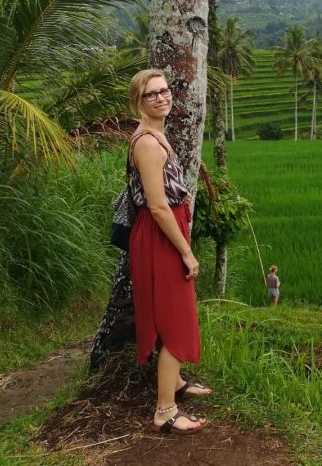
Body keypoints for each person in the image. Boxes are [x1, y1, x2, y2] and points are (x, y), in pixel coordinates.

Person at [127, 69, 212, 434]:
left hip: (165, 232)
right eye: (152, 94)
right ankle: (165, 410)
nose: (162, 97)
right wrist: (186, 253)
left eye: (165, 91)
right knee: (176, 318)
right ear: (138, 101)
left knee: (171, 312)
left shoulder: (157, 135)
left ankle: (173, 383)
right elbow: (158, 207)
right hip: (161, 236)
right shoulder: (146, 142)